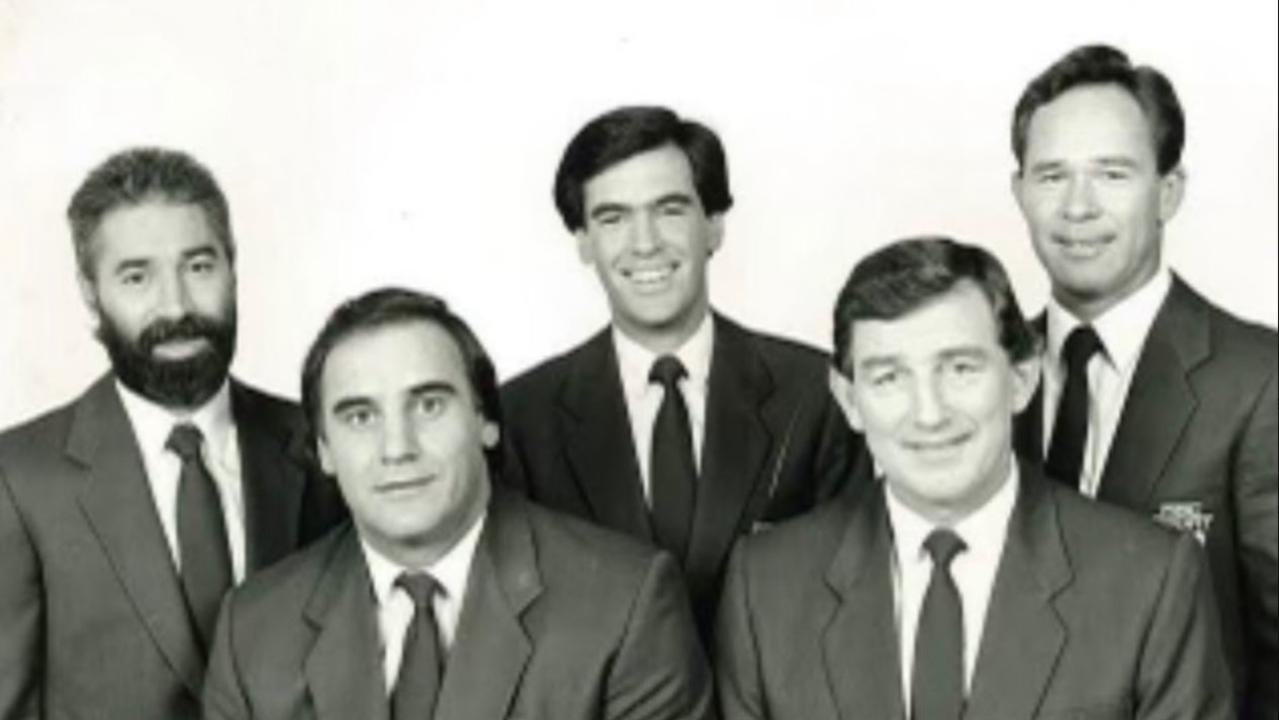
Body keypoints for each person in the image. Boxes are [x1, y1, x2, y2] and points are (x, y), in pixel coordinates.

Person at [716, 237, 1231, 719]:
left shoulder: (1151, 581)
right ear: (849, 399)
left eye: (959, 368)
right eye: (889, 377)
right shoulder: (765, 588)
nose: (929, 414)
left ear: (1022, 378)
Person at [203, 288, 712, 720]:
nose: (397, 447)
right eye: (360, 417)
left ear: (485, 420)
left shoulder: (625, 606)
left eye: (428, 405)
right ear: (324, 450)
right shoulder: (251, 633)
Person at [0, 147, 347, 719]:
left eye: (199, 266)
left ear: (233, 267)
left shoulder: (319, 446)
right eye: (137, 276)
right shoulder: (20, 478)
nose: (177, 304)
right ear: (91, 294)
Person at [501, 105, 862, 638]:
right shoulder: (522, 417)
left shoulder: (815, 392)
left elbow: (847, 602)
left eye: (669, 209)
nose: (644, 243)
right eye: (613, 218)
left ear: (713, 225)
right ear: (583, 241)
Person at [1008, 44, 1277, 718]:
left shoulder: (1257, 380)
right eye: (1050, 176)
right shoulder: (980, 375)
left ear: (1167, 192)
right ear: (1018, 192)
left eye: (1111, 174)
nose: (1077, 207)